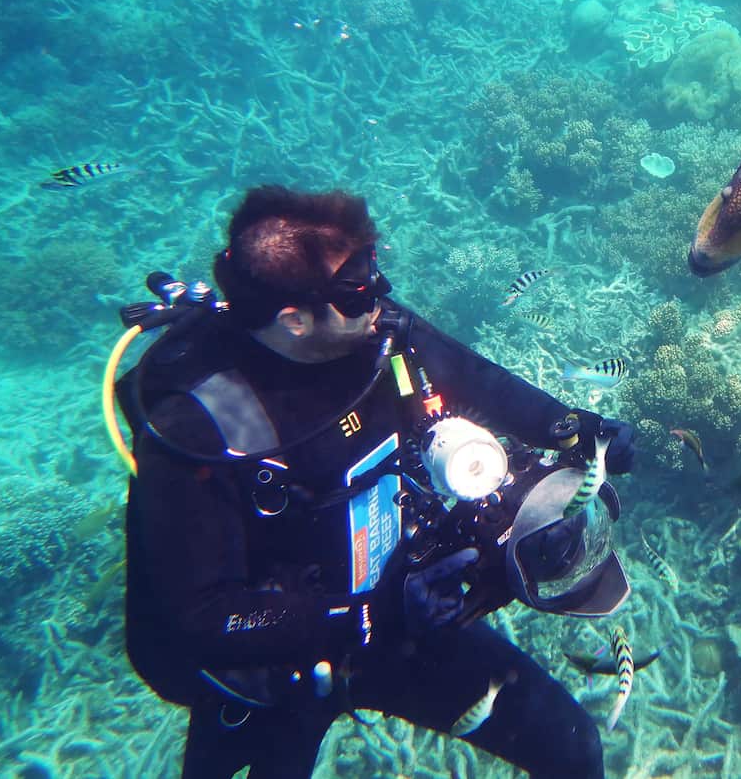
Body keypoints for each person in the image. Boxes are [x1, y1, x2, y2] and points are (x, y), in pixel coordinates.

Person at [118, 186, 637, 778]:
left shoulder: (375, 333)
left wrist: (576, 430)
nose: (380, 293)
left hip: (400, 618)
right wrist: (362, 615)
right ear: (293, 319)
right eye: (357, 285)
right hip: (277, 672)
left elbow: (476, 379)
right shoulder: (195, 428)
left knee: (572, 748)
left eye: (372, 267)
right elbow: (203, 615)